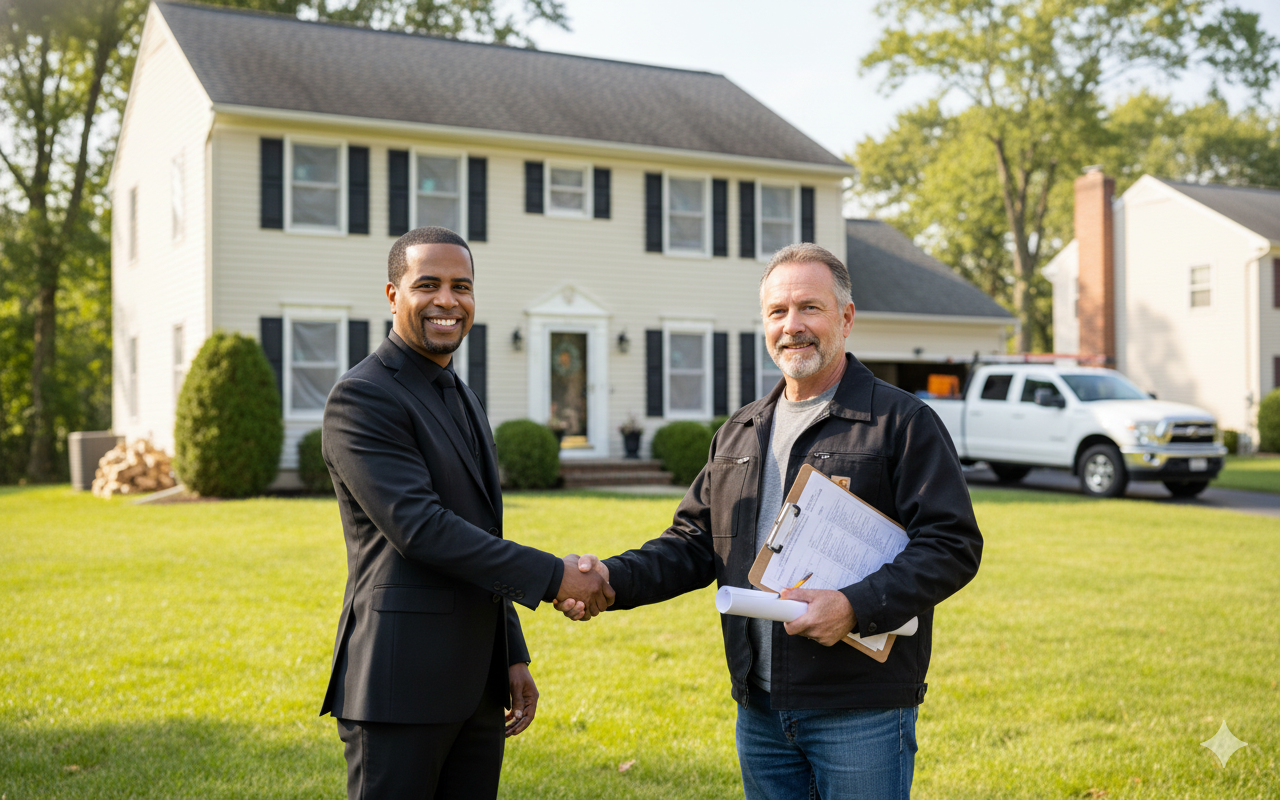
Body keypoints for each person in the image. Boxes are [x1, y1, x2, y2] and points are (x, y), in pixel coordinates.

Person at [558, 243, 983, 799]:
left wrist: (854, 606)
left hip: (861, 711)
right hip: (759, 711)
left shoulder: (901, 422)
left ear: (846, 318)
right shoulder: (740, 431)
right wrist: (609, 579)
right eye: (777, 311)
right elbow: (693, 543)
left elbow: (952, 545)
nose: (792, 326)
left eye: (810, 307)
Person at [318, 226, 613, 800]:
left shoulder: (462, 394)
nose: (447, 301)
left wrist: (512, 656)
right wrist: (554, 576)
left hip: (477, 686)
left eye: (462, 286)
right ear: (393, 295)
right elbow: (421, 529)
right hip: (399, 685)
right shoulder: (364, 396)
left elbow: (480, 535)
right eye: (427, 284)